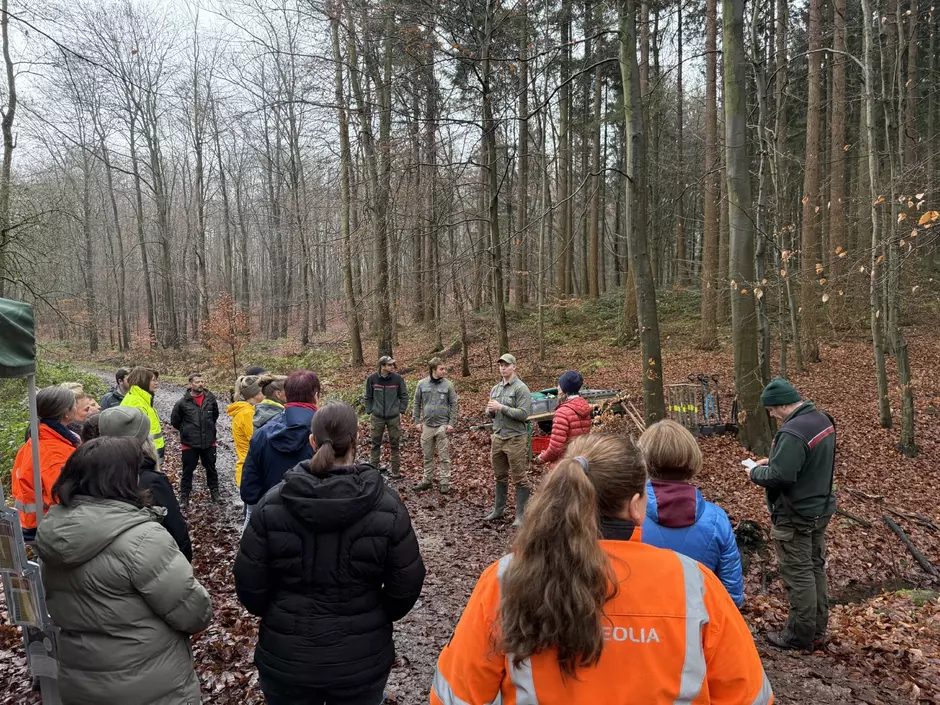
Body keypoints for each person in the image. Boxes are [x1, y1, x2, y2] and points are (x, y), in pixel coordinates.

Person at [431, 434, 773, 705]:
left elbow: (455, 696)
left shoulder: (507, 578)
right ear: (638, 505)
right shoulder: (696, 585)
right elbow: (747, 695)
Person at [235, 401, 425, 704]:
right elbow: (407, 582)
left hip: (287, 660)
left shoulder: (272, 504)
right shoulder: (387, 505)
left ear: (312, 441)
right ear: (356, 440)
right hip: (360, 662)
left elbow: (249, 583)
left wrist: (279, 612)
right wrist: (374, 613)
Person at [34, 437, 212, 705]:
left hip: (80, 680)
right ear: (122, 479)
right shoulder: (142, 538)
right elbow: (194, 612)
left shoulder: (52, 531)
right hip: (150, 685)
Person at [747, 377, 836, 651]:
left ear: (783, 404)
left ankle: (799, 636)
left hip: (795, 514)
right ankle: (817, 629)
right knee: (814, 568)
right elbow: (803, 463)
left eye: (772, 409)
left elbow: (781, 476)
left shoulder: (792, 432)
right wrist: (773, 461)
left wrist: (755, 472)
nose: (772, 414)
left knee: (799, 575)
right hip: (819, 509)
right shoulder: (822, 420)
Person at [638, 419, 744, 607]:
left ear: (643, 461)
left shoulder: (627, 516)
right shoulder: (716, 519)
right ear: (692, 459)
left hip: (642, 628)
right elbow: (732, 596)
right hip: (697, 626)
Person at [99, 406, 193, 562]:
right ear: (146, 441)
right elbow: (177, 535)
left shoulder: (93, 472)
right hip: (151, 565)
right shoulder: (152, 481)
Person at [240, 370, 320, 512]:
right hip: (315, 518)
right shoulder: (328, 432)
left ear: (287, 395)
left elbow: (249, 491)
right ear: (316, 396)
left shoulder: (261, 434)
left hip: (271, 519)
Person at [12, 386, 80, 541]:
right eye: (74, 404)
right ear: (67, 413)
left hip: (33, 523)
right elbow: (62, 496)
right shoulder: (55, 453)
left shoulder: (37, 439)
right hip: (48, 528)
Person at [483, 353, 532, 527]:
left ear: (514, 367)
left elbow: (524, 415)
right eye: (500, 365)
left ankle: (521, 516)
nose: (503, 368)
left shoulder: (521, 388)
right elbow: (489, 412)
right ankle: (498, 510)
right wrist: (490, 411)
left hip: (515, 438)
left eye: (506, 365)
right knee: (499, 476)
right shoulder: (495, 389)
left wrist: (501, 407)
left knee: (519, 477)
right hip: (498, 437)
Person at [171, 373, 221, 507]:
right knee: (187, 470)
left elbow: (215, 416)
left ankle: (215, 493)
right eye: (197, 382)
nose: (200, 384)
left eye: (202, 381)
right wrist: (187, 432)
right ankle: (184, 497)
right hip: (189, 443)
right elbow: (175, 421)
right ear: (190, 384)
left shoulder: (211, 400)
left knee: (211, 468)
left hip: (209, 442)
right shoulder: (182, 403)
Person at [413, 357, 458, 494]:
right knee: (427, 455)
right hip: (427, 425)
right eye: (441, 369)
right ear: (433, 370)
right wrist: (416, 421)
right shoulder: (421, 384)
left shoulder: (448, 385)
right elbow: (416, 403)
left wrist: (451, 423)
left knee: (444, 456)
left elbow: (454, 404)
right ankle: (427, 480)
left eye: (444, 368)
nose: (444, 371)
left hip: (442, 425)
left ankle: (444, 481)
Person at [535, 370, 593, 466]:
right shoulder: (585, 407)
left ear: (564, 389)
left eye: (559, 385)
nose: (557, 387)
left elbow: (555, 448)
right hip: (581, 462)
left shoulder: (562, 413)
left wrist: (542, 458)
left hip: (564, 466)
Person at [365, 355, 409, 478]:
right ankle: (373, 471)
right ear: (382, 366)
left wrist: (401, 410)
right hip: (377, 417)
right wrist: (370, 411)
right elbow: (368, 397)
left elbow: (404, 396)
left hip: (393, 417)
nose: (392, 367)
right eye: (389, 365)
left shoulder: (397, 379)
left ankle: (396, 472)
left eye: (392, 364)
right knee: (375, 444)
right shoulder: (372, 379)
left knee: (395, 444)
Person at [119, 367, 165, 461]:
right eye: (153, 380)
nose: (156, 383)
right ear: (143, 381)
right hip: (146, 453)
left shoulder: (142, 398)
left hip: (152, 450)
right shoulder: (136, 403)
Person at [227, 374, 265, 488]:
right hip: (250, 470)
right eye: (263, 391)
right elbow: (256, 440)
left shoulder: (246, 410)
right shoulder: (247, 413)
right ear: (256, 394)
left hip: (248, 467)